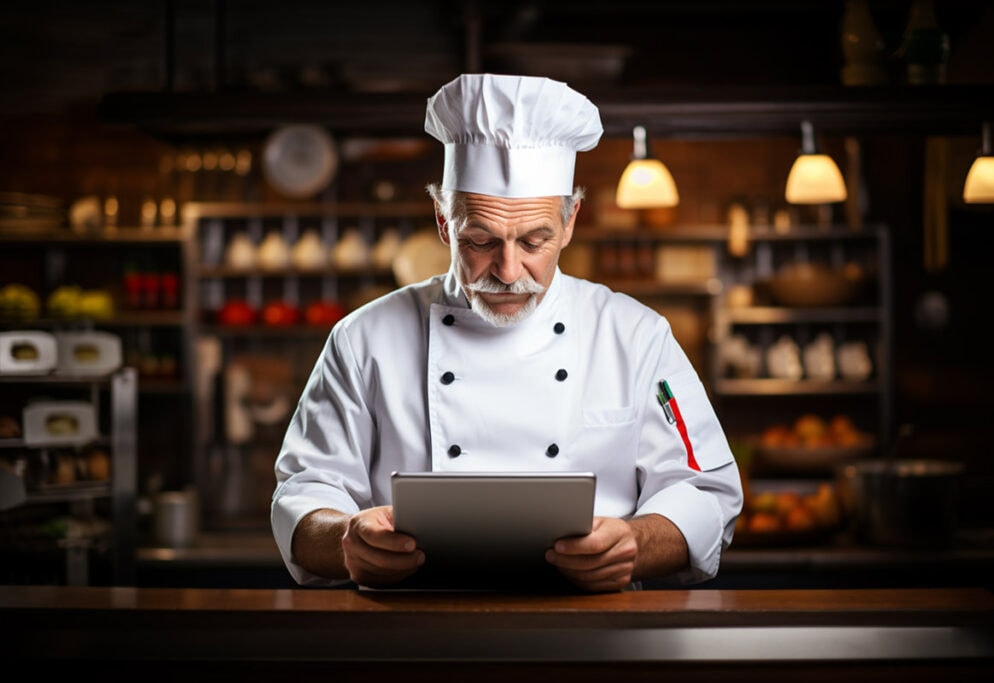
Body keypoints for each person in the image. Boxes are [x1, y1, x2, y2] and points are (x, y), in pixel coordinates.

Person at [271, 73, 743, 593]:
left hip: (595, 640)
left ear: (569, 222)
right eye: (481, 240)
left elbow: (706, 490)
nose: (510, 269)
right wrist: (345, 539)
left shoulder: (636, 336)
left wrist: (637, 541)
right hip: (411, 639)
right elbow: (303, 491)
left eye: (535, 240)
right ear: (443, 221)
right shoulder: (363, 339)